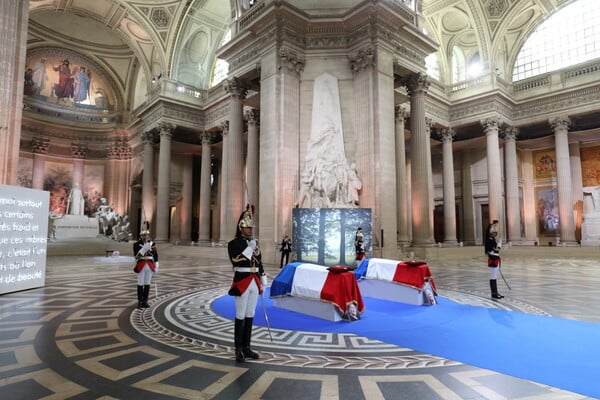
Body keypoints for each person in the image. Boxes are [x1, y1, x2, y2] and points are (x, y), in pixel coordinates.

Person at [227, 206, 267, 362]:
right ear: (241, 228)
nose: (250, 230)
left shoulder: (254, 243)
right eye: (247, 227)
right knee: (240, 315)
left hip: (254, 280)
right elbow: (236, 260)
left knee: (250, 314)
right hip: (242, 280)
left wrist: (263, 279)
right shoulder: (233, 243)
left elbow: (260, 262)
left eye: (251, 228)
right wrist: (249, 249)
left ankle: (247, 347)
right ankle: (238, 349)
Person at [133, 230, 159, 308]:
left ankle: (145, 301)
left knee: (147, 283)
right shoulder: (136, 244)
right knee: (140, 283)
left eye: (147, 235)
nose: (145, 237)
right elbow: (136, 256)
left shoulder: (152, 244)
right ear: (141, 236)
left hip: (150, 265)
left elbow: (156, 256)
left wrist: (157, 266)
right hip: (141, 264)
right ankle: (140, 301)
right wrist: (144, 249)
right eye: (143, 235)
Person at [485, 224, 504, 299]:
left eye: (496, 233)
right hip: (493, 260)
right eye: (494, 233)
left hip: (496, 259)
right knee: (493, 277)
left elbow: (496, 249)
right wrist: (498, 247)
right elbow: (492, 250)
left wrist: (499, 245)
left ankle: (495, 292)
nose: (495, 234)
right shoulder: (489, 240)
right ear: (491, 233)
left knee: (495, 277)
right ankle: (493, 293)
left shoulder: (493, 240)